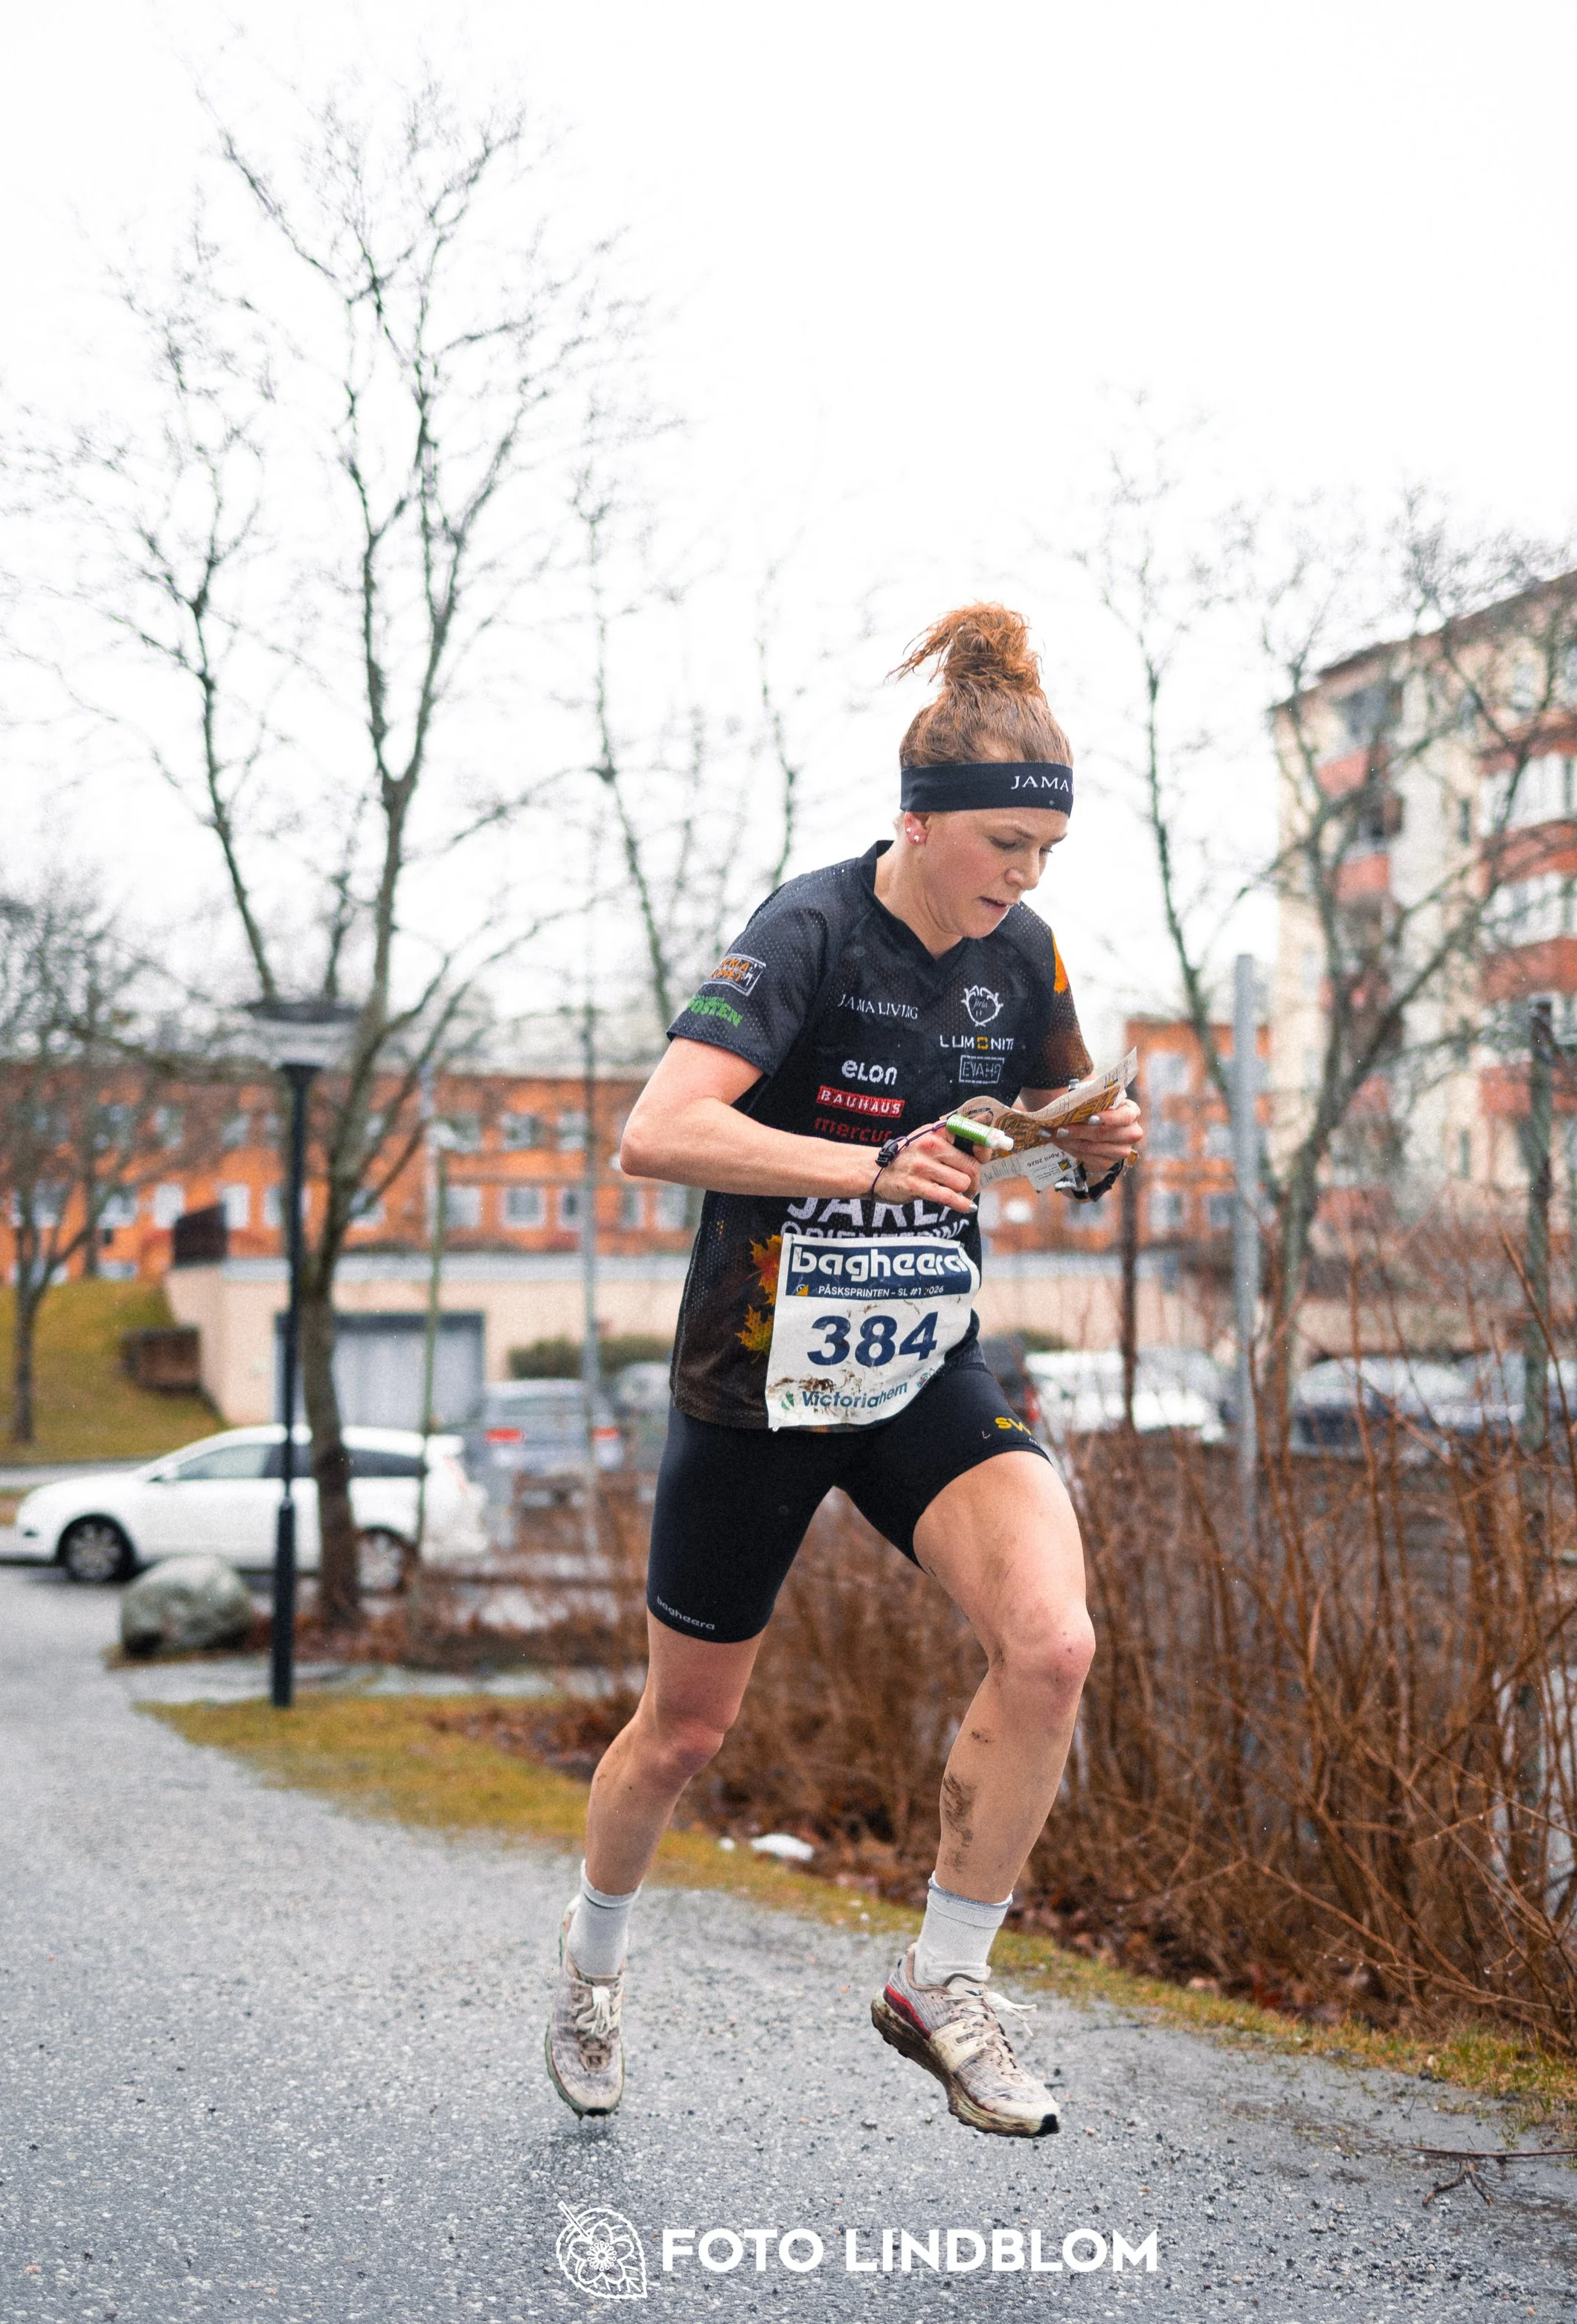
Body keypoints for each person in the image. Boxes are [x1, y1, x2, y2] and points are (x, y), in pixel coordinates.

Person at [545, 604, 1144, 2137]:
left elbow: (1031, 1117)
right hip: (757, 1374)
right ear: (918, 822)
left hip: (917, 1361)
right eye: (1003, 844)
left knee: (1052, 1642)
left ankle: (940, 1979)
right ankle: (592, 1960)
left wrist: (1091, 1145)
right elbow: (657, 1127)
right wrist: (865, 1169)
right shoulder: (808, 928)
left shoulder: (1024, 956)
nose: (1021, 876)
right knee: (683, 1731)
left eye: (1042, 853)